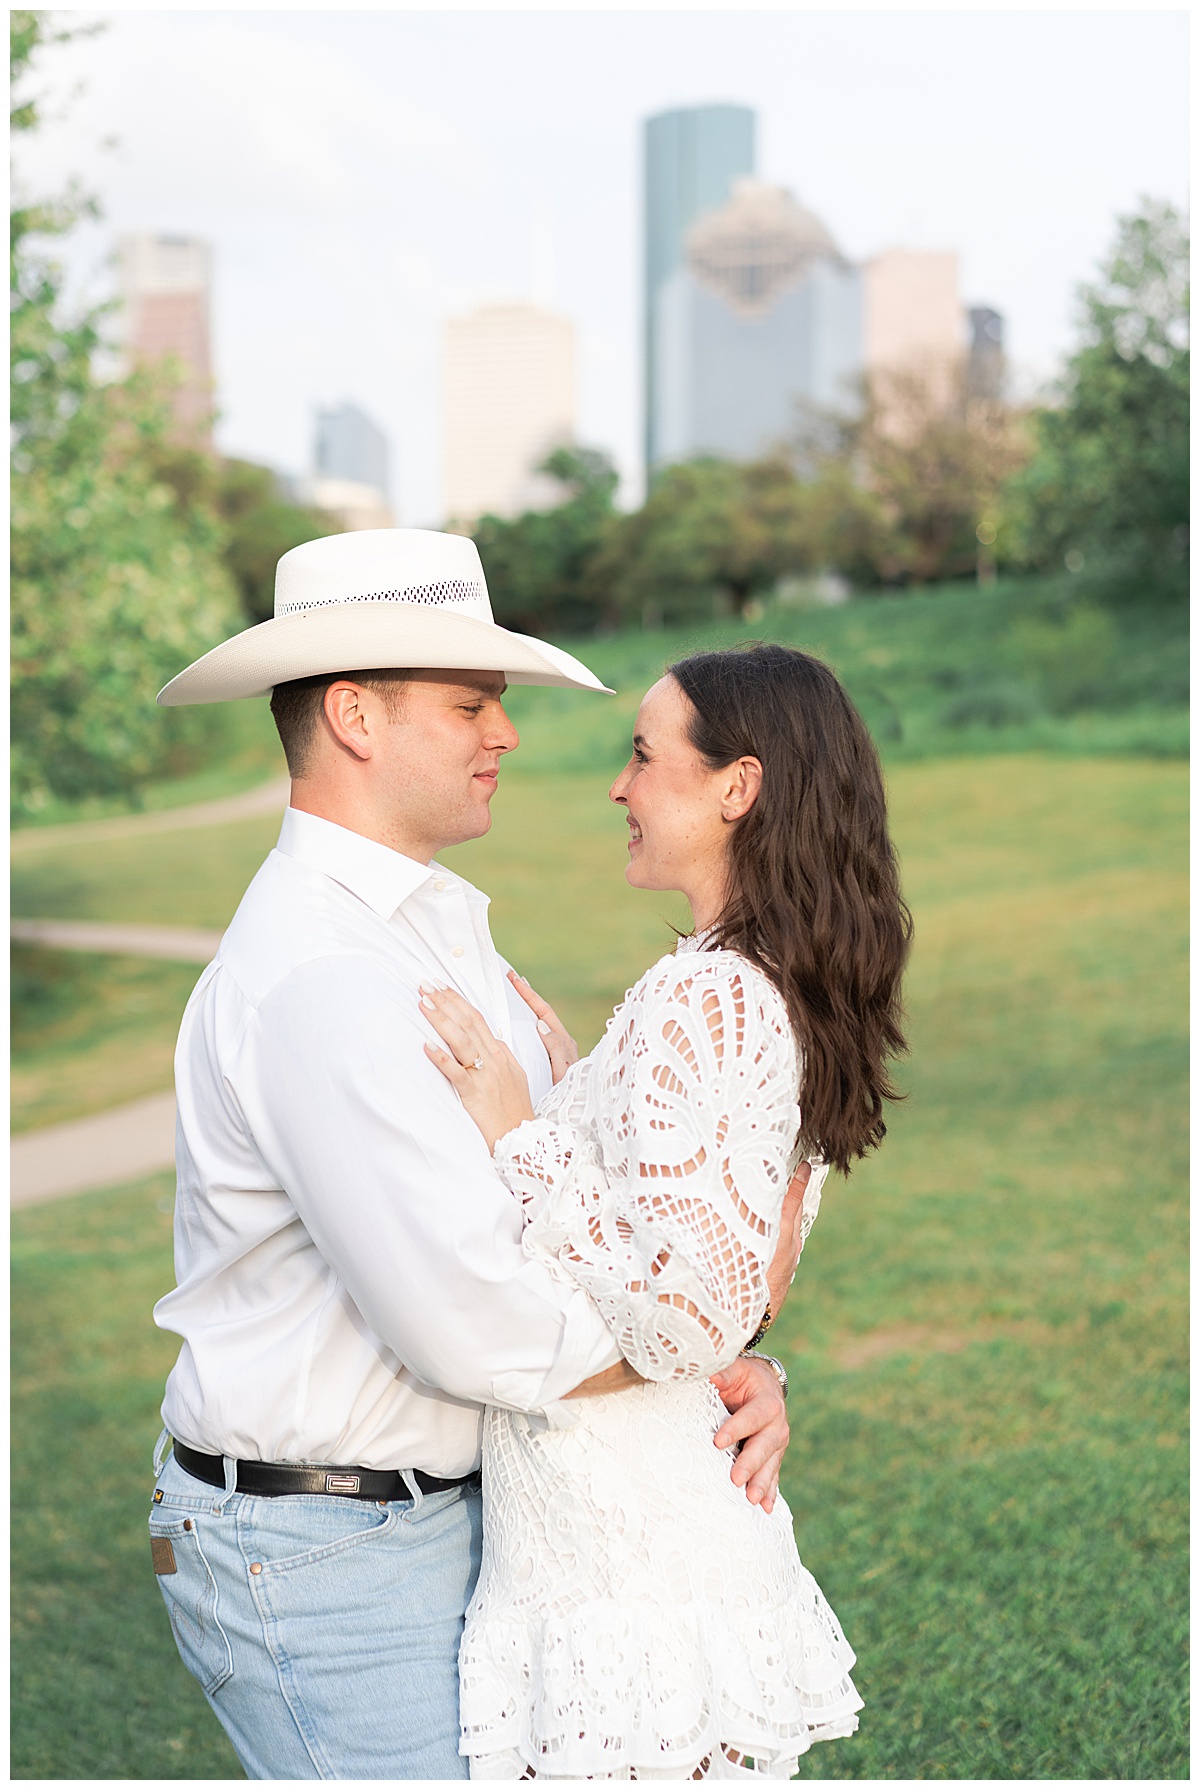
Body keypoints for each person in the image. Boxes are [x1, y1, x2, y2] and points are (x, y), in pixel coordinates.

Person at [146, 529, 797, 1781]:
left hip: (446, 1515)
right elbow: (487, 1327)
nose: (505, 733)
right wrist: (698, 1352)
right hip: (327, 1543)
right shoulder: (324, 976)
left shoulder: (431, 933)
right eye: (470, 703)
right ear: (354, 716)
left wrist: (719, 1346)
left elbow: (591, 1216)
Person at [421, 644, 913, 1779]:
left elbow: (689, 1317)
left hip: (623, 1549)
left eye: (644, 757)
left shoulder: (708, 994)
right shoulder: (759, 976)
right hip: (647, 1523)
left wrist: (520, 1129)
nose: (619, 787)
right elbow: (730, 1265)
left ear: (736, 787)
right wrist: (575, 1087)